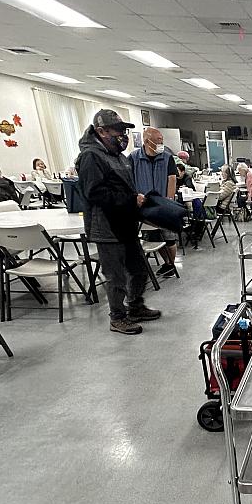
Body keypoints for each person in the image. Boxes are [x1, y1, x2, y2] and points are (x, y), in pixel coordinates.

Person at [76, 109, 160, 335]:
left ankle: (135, 306)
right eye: (118, 131)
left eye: (124, 130)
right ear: (101, 131)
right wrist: (131, 199)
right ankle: (118, 317)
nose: (122, 135)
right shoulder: (91, 157)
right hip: (106, 226)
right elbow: (95, 194)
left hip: (125, 223)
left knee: (139, 269)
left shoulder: (117, 156)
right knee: (116, 276)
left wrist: (135, 201)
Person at [129, 127, 178, 277]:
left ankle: (170, 264)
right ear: (146, 141)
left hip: (163, 203)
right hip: (143, 205)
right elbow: (128, 180)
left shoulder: (167, 157)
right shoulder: (133, 158)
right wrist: (135, 196)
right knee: (153, 236)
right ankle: (165, 263)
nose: (161, 144)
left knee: (168, 237)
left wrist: (169, 200)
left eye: (162, 141)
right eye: (158, 141)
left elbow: (172, 179)